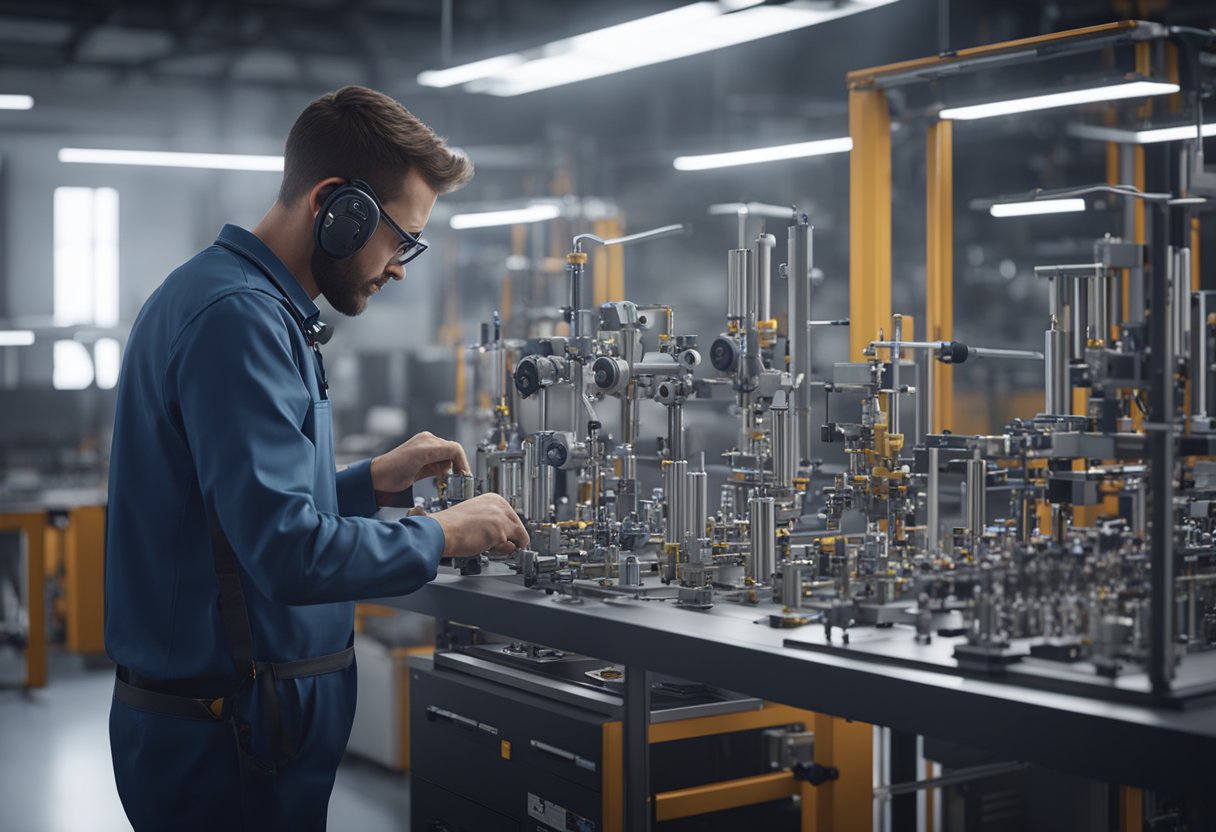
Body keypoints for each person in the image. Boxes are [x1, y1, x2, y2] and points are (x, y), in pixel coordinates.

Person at [104, 85, 529, 831]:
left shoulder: (241, 302)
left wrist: (368, 484)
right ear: (338, 206)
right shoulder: (237, 320)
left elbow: (234, 519)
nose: (401, 268)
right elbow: (287, 553)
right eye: (401, 239)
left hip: (238, 724)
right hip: (226, 739)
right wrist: (446, 533)